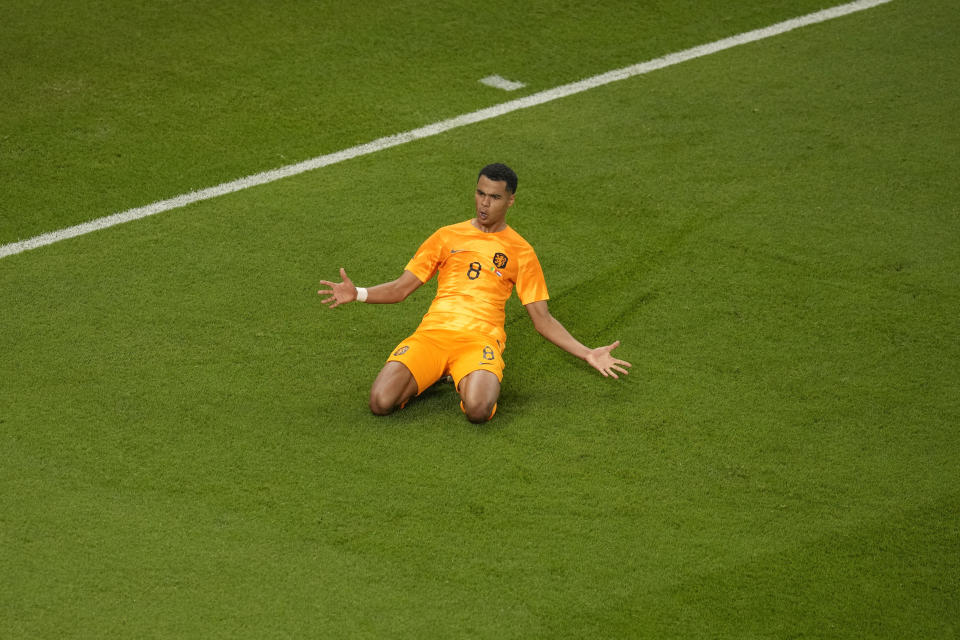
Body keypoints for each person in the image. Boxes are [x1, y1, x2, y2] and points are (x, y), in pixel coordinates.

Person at [318, 163, 631, 423]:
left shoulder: (521, 252)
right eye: (481, 193)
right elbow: (401, 289)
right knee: (379, 402)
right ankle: (435, 375)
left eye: (494, 197)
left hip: (480, 340)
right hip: (432, 335)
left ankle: (458, 378)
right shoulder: (446, 236)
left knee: (479, 411)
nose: (484, 203)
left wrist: (588, 352)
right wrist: (357, 293)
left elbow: (543, 319)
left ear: (510, 201)